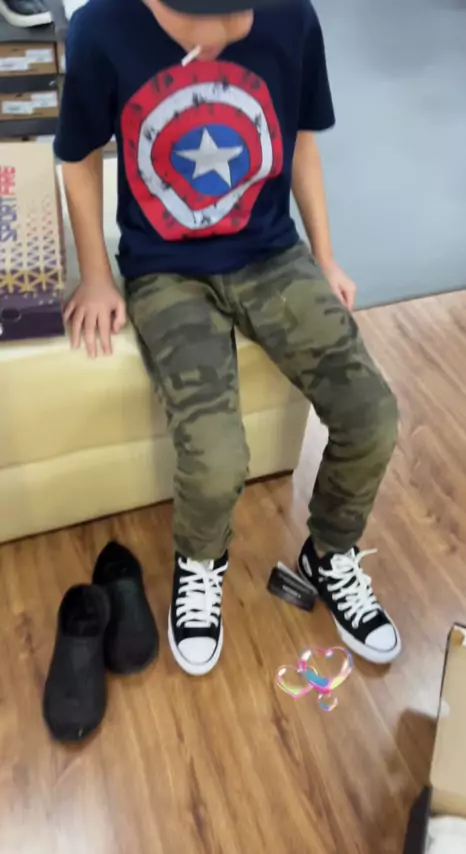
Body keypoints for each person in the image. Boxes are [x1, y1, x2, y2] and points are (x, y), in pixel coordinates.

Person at [55, 0, 401, 677]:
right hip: (165, 270)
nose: (236, 30)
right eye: (217, 17)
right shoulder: (101, 26)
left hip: (273, 254)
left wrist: (326, 257)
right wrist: (95, 274)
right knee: (215, 458)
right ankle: (200, 564)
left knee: (374, 417)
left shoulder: (292, 18)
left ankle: (330, 555)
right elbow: (77, 157)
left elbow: (300, 142)